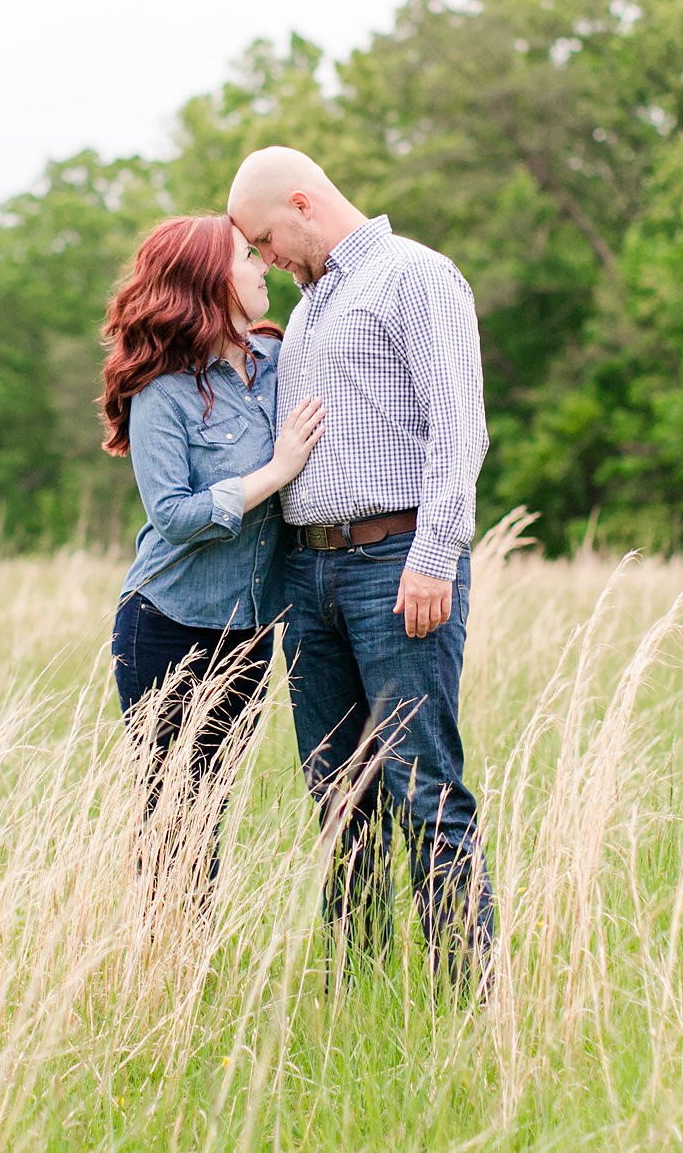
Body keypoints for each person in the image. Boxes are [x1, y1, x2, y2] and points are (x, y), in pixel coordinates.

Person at [226, 146, 495, 982]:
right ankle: (361, 994)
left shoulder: (415, 276)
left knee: (424, 787)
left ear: (303, 204)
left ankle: (469, 992)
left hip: (396, 564)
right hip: (310, 579)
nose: (264, 259)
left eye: (266, 240)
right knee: (340, 798)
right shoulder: (307, 312)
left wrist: (434, 555)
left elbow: (460, 428)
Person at [98, 213, 326, 897]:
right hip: (165, 625)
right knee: (171, 816)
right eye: (246, 257)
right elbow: (172, 516)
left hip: (250, 631)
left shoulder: (282, 361)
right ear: (210, 281)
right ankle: (163, 969)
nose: (262, 267)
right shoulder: (160, 392)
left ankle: (186, 976)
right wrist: (275, 471)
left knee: (211, 808)